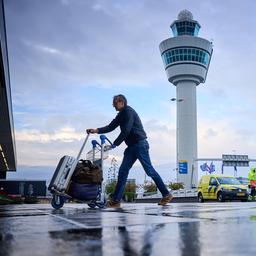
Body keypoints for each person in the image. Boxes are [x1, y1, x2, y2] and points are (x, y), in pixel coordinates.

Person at [87, 94, 173, 208]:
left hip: (140, 145)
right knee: (122, 172)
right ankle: (116, 201)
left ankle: (166, 194)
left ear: (121, 102)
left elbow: (126, 130)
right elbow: (110, 127)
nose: (114, 107)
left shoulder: (128, 112)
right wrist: (96, 130)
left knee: (149, 171)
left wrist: (115, 144)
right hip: (131, 147)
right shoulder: (121, 114)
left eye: (115, 104)